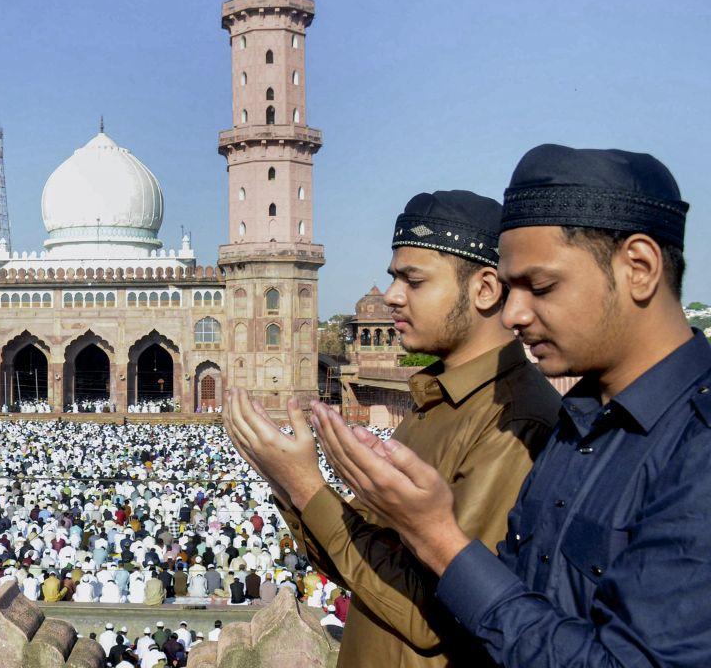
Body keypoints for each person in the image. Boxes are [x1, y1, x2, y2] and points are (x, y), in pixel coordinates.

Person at [311, 145, 711, 666]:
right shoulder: (579, 429)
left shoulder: (695, 449)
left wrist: (437, 537)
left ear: (638, 267)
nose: (514, 312)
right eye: (510, 285)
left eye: (539, 286)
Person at [226, 190, 560, 667]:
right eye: (394, 278)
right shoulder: (433, 405)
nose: (392, 296)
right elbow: (356, 564)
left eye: (414, 280)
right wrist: (289, 480)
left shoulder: (513, 420)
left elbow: (436, 617)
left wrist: (307, 485)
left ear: (485, 289)